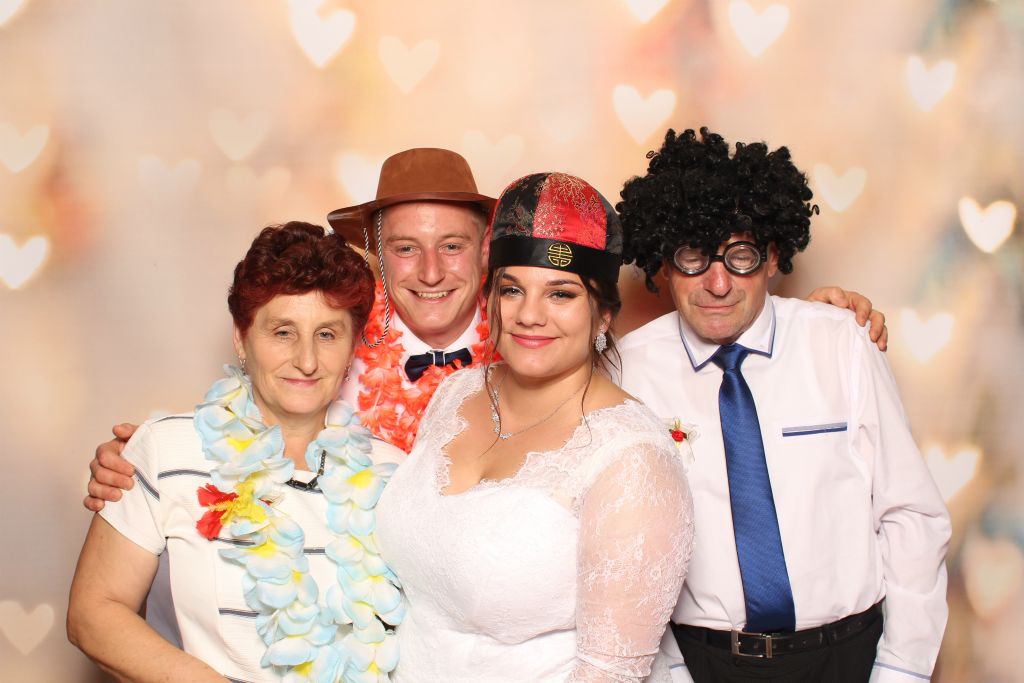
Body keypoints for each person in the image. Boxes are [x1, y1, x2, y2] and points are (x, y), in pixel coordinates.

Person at [82, 147, 889, 512]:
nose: (431, 270)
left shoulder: (546, 337)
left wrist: (808, 315)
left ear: (488, 255)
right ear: (375, 257)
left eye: (453, 246)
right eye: (406, 247)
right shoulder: (328, 344)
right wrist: (144, 464)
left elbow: (684, 339)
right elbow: (242, 428)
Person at [615, 128, 950, 683]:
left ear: (772, 257)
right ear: (665, 264)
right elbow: (625, 550)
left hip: (849, 655)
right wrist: (668, 672)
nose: (717, 283)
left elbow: (910, 514)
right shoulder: (629, 373)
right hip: (701, 662)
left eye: (740, 256)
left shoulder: (841, 343)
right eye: (693, 256)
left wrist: (902, 668)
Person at [374, 171, 694, 681]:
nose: (529, 315)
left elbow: (609, 674)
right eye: (512, 290)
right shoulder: (456, 394)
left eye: (560, 294)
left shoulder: (633, 458)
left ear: (603, 315)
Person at [67, 222, 407, 682]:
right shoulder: (166, 450)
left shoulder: (393, 474)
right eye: (283, 332)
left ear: (352, 348)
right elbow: (93, 613)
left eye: (327, 334)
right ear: (241, 338)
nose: (307, 360)